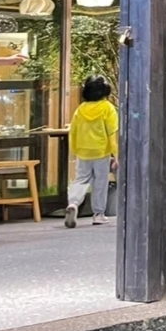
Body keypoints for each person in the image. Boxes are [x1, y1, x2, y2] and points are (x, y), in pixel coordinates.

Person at [65, 76, 119, 228]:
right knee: (100, 181)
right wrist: (116, 155)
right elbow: (112, 134)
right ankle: (98, 214)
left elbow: (73, 132)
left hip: (83, 150)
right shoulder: (107, 108)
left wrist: (74, 150)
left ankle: (73, 203)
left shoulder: (81, 109)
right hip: (101, 151)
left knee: (81, 179)